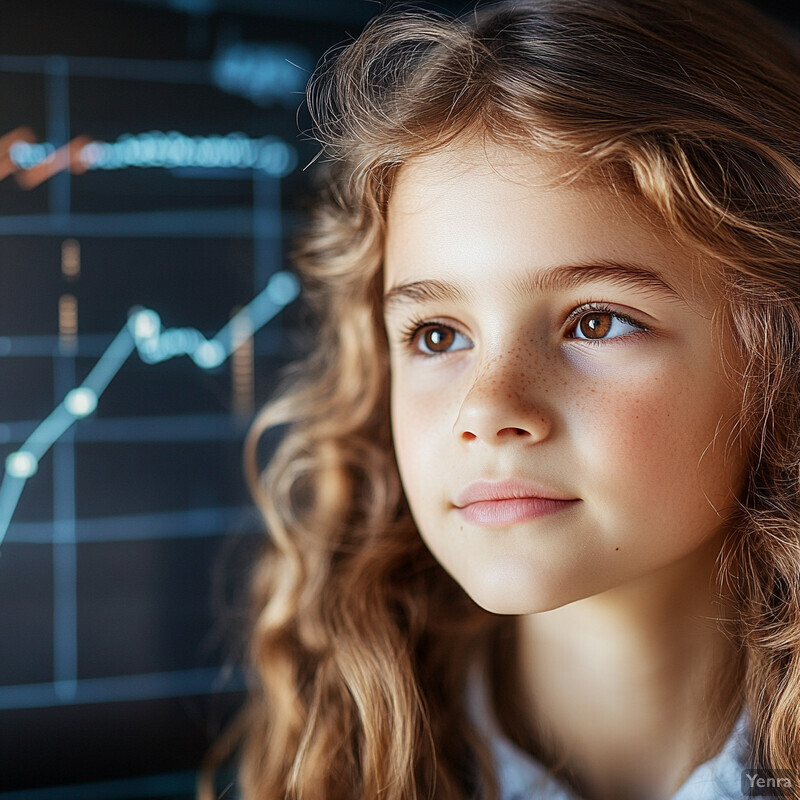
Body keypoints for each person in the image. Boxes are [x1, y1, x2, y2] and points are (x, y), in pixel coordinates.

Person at [228, 1, 800, 798]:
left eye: (596, 323)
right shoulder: (334, 765)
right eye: (437, 336)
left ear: (780, 351)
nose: (487, 410)